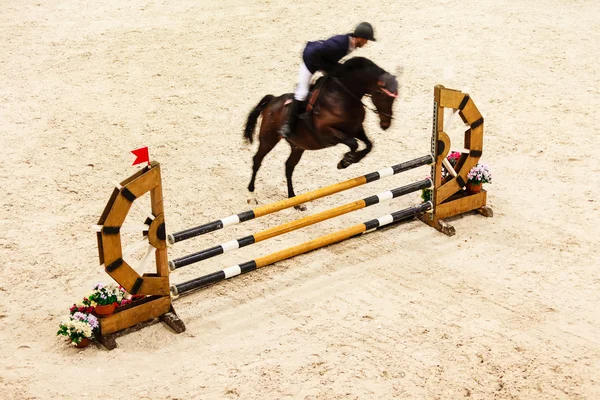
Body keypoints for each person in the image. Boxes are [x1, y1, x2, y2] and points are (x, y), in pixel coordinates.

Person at [279, 22, 376, 139]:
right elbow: (318, 55)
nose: (366, 44)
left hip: (322, 60)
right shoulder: (340, 44)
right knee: (302, 92)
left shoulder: (350, 43)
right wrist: (331, 69)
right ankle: (287, 126)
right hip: (311, 60)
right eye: (366, 40)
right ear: (360, 37)